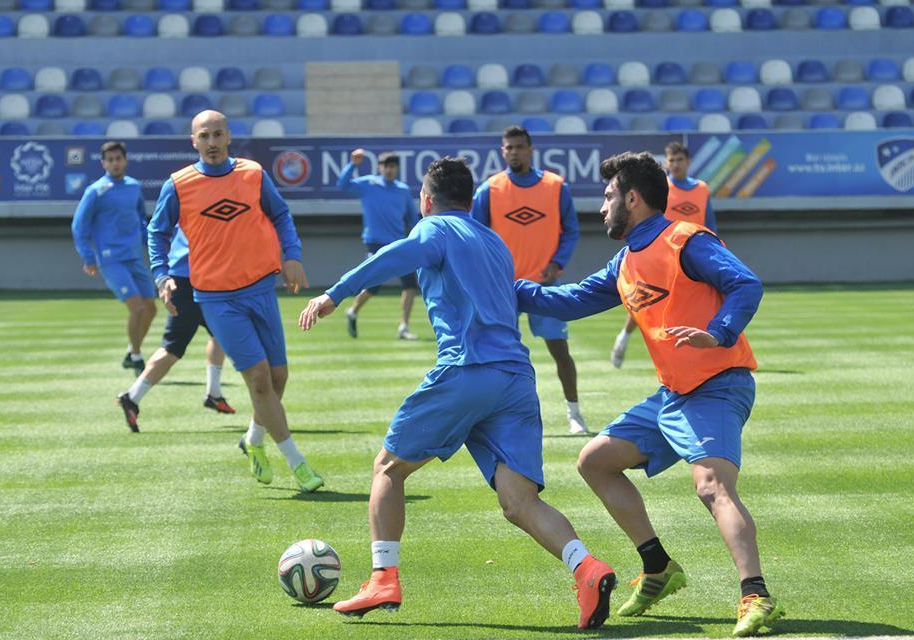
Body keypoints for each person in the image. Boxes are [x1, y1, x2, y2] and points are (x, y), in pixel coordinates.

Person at [299, 157, 617, 630]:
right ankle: (587, 569)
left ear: (426, 201)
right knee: (519, 501)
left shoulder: (434, 229)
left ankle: (383, 578)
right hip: (516, 379)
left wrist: (334, 294)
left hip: (468, 370)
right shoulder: (495, 241)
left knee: (388, 468)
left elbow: (391, 256)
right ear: (471, 201)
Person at [514, 151, 782, 637]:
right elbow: (571, 300)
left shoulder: (686, 240)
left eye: (609, 196)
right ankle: (658, 566)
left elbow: (745, 284)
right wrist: (508, 287)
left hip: (718, 385)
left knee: (712, 487)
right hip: (673, 395)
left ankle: (756, 594)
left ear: (633, 199)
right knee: (595, 461)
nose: (602, 207)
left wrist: (718, 332)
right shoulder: (626, 260)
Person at [147, 110, 324, 493]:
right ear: (193, 141)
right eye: (204, 136)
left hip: (261, 289)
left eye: (217, 134)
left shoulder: (253, 174)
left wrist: (291, 256)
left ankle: (253, 440)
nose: (211, 142)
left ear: (229, 137)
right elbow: (156, 232)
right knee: (258, 378)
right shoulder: (179, 185)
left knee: (278, 379)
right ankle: (297, 463)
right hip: (216, 298)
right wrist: (162, 276)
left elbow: (281, 215)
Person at [471, 125, 588, 435]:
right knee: (496, 354)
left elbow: (571, 231)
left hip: (543, 287)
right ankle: (494, 416)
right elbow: (474, 235)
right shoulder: (490, 189)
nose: (514, 152)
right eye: (508, 147)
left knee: (559, 350)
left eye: (519, 147)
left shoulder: (555, 186)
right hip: (502, 289)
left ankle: (574, 413)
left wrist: (557, 262)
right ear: (502, 151)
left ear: (530, 150)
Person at [116, 226, 236, 433]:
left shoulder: (182, 205)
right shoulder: (195, 205)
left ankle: (214, 394)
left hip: (195, 276)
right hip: (194, 278)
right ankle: (132, 397)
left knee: (220, 334)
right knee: (173, 348)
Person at [611, 142, 716, 368]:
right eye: (671, 160)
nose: (675, 164)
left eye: (680, 160)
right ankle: (624, 337)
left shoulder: (702, 189)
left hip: (694, 256)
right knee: (645, 301)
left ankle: (697, 351)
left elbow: (710, 223)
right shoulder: (662, 189)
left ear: (688, 162)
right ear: (666, 163)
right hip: (663, 254)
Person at [71, 141, 156, 375]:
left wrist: (150, 243)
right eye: (110, 160)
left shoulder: (133, 187)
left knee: (150, 309)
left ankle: (130, 352)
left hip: (134, 257)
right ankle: (137, 357)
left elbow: (141, 219)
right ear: (103, 163)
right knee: (137, 308)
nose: (115, 163)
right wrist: (88, 257)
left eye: (118, 158)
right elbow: (79, 226)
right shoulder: (96, 191)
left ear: (125, 160)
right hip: (111, 259)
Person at [338, 149, 421, 340]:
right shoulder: (368, 184)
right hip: (375, 243)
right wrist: (352, 165)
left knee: (410, 285)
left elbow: (411, 218)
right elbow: (343, 184)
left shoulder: (403, 190)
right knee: (373, 286)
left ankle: (403, 327)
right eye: (386, 166)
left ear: (397, 168)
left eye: (393, 166)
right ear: (379, 167)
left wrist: (418, 238)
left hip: (399, 244)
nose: (390, 170)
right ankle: (353, 311)